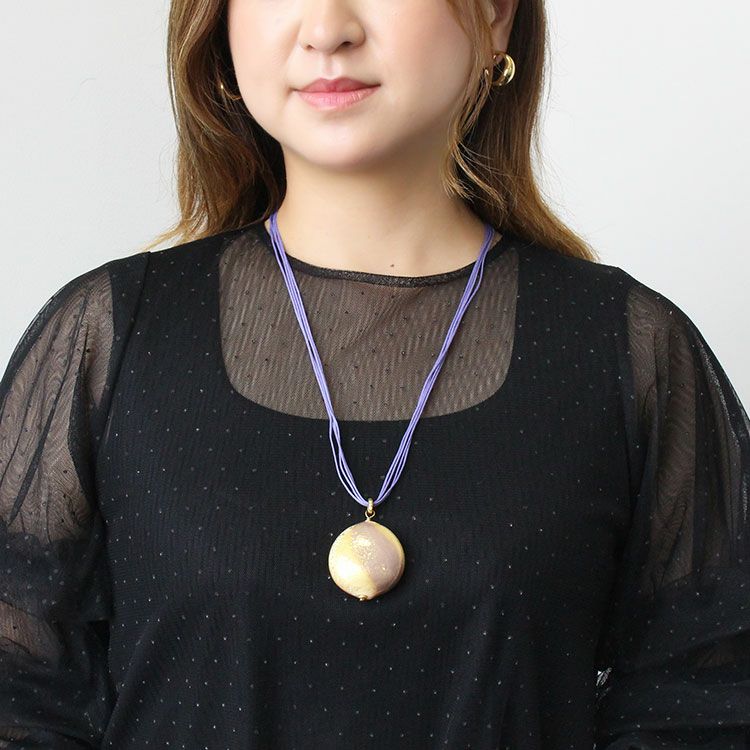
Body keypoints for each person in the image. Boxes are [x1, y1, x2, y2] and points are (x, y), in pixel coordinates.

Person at [1, 0, 748, 747]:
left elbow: (705, 708)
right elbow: (21, 704)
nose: (327, 29)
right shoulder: (108, 341)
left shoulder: (630, 353)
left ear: (495, 19)